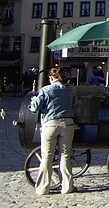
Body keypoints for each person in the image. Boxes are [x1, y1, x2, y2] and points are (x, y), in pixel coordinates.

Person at [28, 67, 77, 196]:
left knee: (47, 156)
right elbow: (75, 104)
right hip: (68, 123)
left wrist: (33, 101)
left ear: (51, 78)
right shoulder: (70, 90)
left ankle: (43, 188)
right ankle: (67, 187)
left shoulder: (45, 90)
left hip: (50, 124)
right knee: (65, 155)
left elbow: (35, 108)